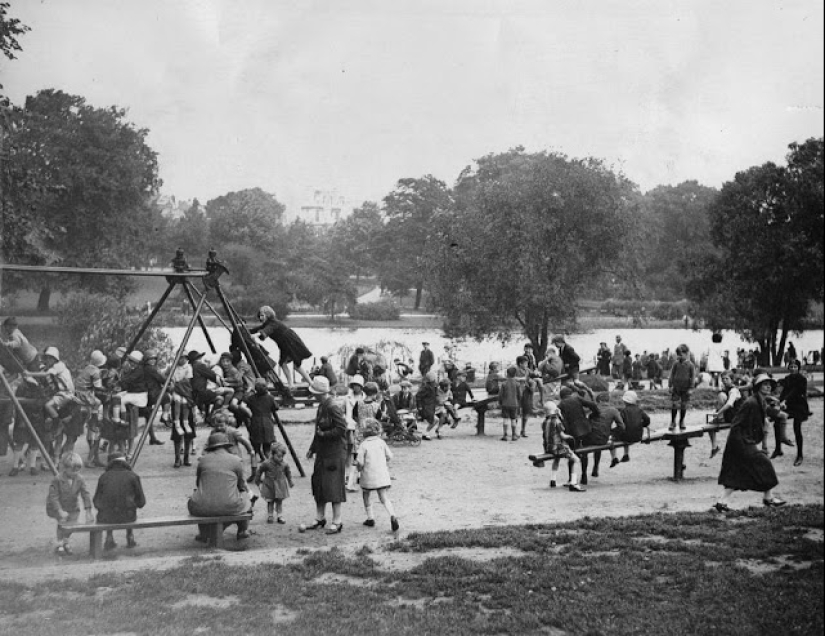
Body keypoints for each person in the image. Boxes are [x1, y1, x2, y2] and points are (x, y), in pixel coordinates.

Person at [714, 374, 787, 511]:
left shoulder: (760, 401)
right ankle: (768, 498)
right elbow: (736, 424)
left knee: (735, 473)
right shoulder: (751, 402)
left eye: (769, 384)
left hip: (742, 441)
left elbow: (767, 414)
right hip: (740, 441)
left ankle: (721, 503)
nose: (768, 386)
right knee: (764, 463)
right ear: (758, 387)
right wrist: (743, 443)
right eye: (764, 384)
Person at [188, 431, 251, 542]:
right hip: (230, 506)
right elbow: (242, 485)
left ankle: (203, 533)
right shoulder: (236, 460)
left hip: (201, 508)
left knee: (200, 494)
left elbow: (198, 484)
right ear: (226, 446)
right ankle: (242, 530)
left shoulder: (202, 461)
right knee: (246, 495)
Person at [305, 376, 347, 534]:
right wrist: (312, 448)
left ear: (320, 393)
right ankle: (320, 518)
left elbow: (341, 429)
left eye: (314, 393)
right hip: (322, 453)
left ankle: (337, 521)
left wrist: (324, 434)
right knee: (319, 484)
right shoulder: (322, 406)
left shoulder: (332, 406)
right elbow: (318, 431)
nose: (313, 396)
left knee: (334, 486)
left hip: (335, 453)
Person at [93, 451, 146, 550]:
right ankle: (130, 535)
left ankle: (109, 536)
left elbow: (96, 500)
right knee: (127, 505)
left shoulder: (104, 477)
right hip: (128, 516)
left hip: (106, 517)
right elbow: (141, 502)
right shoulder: (133, 476)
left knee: (109, 507)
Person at [249, 305, 313, 386]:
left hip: (290, 342)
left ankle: (308, 383)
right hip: (284, 345)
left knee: (295, 365)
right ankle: (293, 384)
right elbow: (257, 329)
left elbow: (266, 330)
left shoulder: (273, 323)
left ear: (268, 315)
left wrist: (256, 335)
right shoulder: (267, 323)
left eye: (262, 315)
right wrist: (245, 329)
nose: (260, 318)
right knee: (285, 364)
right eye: (260, 315)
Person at [46, 452, 93, 556]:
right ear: (65, 468)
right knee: (62, 523)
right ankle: (59, 543)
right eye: (72, 470)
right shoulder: (57, 479)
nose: (75, 473)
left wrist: (88, 510)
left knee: (72, 525)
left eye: (78, 470)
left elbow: (85, 494)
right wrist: (59, 510)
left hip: (73, 506)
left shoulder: (80, 479)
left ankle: (66, 541)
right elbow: (53, 496)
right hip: (59, 505)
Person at [356, 418, 399, 532]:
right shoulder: (381, 442)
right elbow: (390, 456)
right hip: (381, 475)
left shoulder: (363, 445)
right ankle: (392, 515)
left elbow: (360, 462)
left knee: (366, 495)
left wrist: (358, 470)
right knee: (384, 497)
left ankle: (370, 518)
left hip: (368, 476)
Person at [557, 385, 599, 485]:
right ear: (570, 394)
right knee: (585, 452)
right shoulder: (577, 398)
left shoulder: (561, 404)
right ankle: (584, 475)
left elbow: (560, 418)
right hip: (585, 428)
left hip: (572, 432)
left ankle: (571, 478)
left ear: (562, 396)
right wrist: (595, 414)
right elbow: (592, 404)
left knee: (571, 453)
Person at [541, 401, 585, 492]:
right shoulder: (557, 421)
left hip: (549, 447)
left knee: (557, 459)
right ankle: (574, 483)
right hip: (557, 447)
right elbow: (562, 435)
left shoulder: (545, 421)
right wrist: (570, 437)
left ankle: (553, 480)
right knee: (576, 459)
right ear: (555, 410)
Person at [585, 392, 624, 478]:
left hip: (590, 438)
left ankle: (584, 474)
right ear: (608, 400)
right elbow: (622, 426)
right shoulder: (613, 410)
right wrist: (611, 432)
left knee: (584, 448)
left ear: (600, 401)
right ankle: (596, 467)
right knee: (600, 442)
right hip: (603, 439)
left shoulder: (592, 409)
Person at [779, 360, 810, 467]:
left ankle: (799, 455)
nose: (793, 369)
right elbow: (784, 392)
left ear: (798, 368)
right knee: (777, 419)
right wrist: (779, 401)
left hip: (799, 406)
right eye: (791, 366)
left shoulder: (802, 379)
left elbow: (795, 391)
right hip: (789, 405)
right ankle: (779, 449)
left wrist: (785, 401)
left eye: (795, 367)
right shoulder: (787, 378)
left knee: (797, 428)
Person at [254, 441, 294, 524]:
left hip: (280, 485)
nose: (281, 458)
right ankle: (270, 515)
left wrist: (290, 481)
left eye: (282, 456)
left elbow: (288, 472)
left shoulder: (284, 464)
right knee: (270, 501)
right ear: (272, 454)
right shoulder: (266, 463)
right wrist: (257, 480)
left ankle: (280, 515)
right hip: (270, 485)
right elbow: (260, 470)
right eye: (279, 456)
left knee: (279, 501)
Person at [612, 390, 650, 465]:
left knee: (616, 434)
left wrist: (613, 431)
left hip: (627, 437)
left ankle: (615, 457)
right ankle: (625, 454)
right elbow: (647, 419)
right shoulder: (640, 410)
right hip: (638, 436)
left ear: (625, 401)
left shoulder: (623, 411)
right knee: (627, 430)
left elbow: (620, 424)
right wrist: (642, 425)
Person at [246, 378, 279, 464]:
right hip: (267, 423)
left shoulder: (251, 398)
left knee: (255, 448)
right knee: (267, 448)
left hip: (256, 423)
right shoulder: (270, 398)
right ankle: (269, 463)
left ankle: (254, 465)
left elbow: (245, 404)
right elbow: (276, 407)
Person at [344, 374, 365, 489]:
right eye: (354, 385)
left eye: (358, 385)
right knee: (349, 449)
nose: (356, 387)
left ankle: (360, 474)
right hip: (350, 426)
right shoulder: (347, 398)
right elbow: (343, 410)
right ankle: (347, 474)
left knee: (360, 451)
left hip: (361, 426)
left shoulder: (364, 398)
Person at [668, 344, 695, 431]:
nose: (679, 356)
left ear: (686, 353)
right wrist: (670, 385)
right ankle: (673, 421)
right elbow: (671, 374)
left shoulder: (690, 365)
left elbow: (693, 377)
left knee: (683, 405)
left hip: (685, 389)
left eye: (681, 354)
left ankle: (682, 421)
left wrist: (691, 388)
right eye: (678, 354)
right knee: (674, 404)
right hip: (676, 388)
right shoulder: (676, 364)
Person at [497, 366, 521, 442]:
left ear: (507, 374)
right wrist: (518, 401)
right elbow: (519, 395)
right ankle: (514, 435)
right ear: (515, 374)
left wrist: (500, 402)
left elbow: (500, 395)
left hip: (505, 404)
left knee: (505, 419)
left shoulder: (504, 384)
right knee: (513, 419)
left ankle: (505, 435)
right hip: (514, 404)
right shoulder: (517, 384)